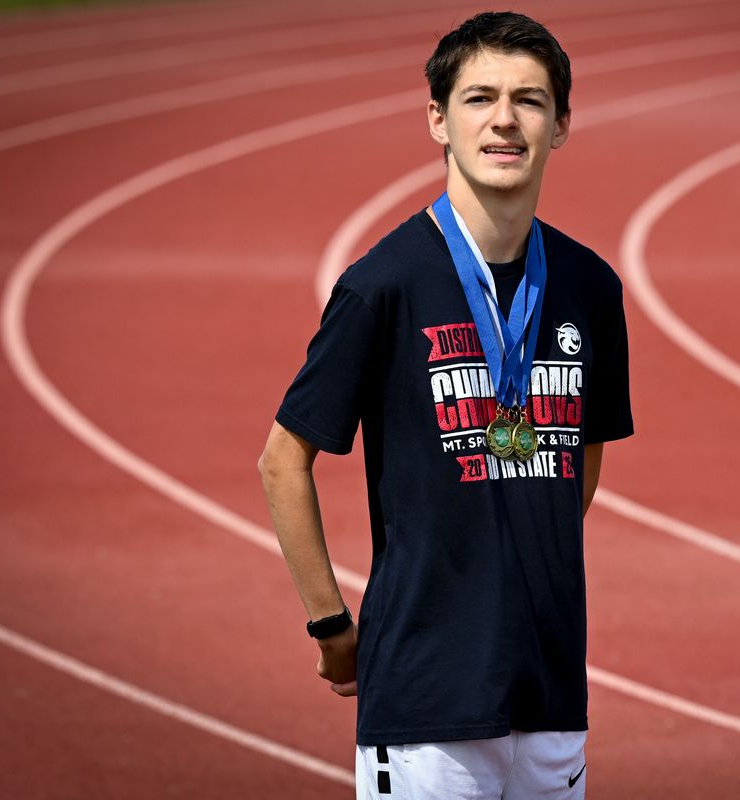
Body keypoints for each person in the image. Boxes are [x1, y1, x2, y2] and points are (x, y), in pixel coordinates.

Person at [258, 11, 632, 799]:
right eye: (480, 98)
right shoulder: (383, 285)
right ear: (438, 119)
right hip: (426, 698)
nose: (505, 120)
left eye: (530, 100)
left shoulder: (590, 286)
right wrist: (330, 626)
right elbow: (283, 460)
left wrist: (521, 548)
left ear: (562, 123)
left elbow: (583, 454)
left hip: (551, 687)